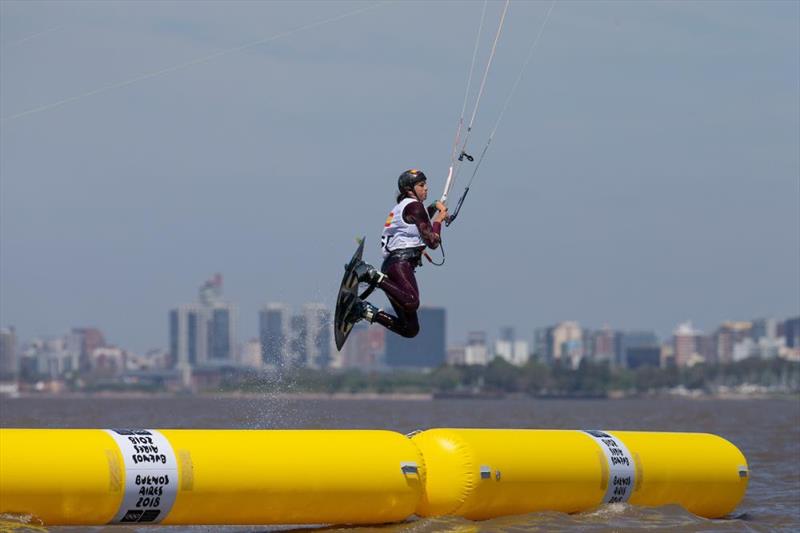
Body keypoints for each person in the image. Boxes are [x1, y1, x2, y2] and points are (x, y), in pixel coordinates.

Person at [349, 169, 448, 338]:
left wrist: (432, 208)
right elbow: (432, 242)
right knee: (411, 301)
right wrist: (440, 219)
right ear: (409, 189)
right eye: (421, 185)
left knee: (410, 329)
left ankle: (364, 311)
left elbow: (420, 222)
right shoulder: (414, 206)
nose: (426, 188)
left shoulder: (408, 206)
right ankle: (372, 275)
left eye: (426, 184)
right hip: (399, 264)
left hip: (394, 265)